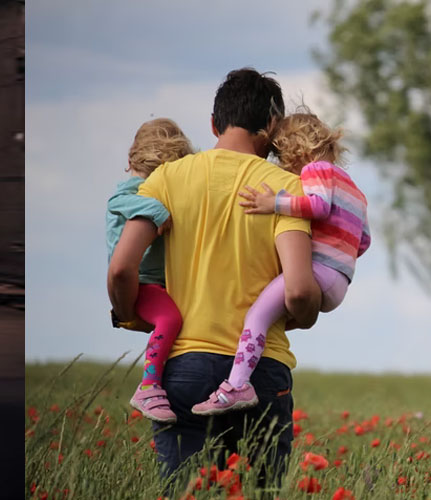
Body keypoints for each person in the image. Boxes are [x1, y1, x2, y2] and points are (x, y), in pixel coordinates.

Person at [107, 68, 321, 487]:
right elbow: (297, 290)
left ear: (213, 123)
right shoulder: (286, 190)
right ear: (273, 126)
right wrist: (307, 312)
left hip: (184, 368)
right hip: (261, 372)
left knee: (186, 493)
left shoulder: (166, 179)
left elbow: (120, 268)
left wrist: (129, 312)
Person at [192, 110, 370, 415]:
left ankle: (237, 385)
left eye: (282, 156)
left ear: (297, 150)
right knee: (272, 317)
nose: (284, 166)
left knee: (256, 316)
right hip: (340, 281)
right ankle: (246, 370)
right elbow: (363, 241)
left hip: (318, 272)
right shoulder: (355, 190)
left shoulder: (316, 171)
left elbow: (318, 206)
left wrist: (272, 203)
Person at [106, 118, 193, 424]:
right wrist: (157, 211)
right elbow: (118, 201)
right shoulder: (133, 191)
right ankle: (149, 385)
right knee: (170, 319)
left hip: (157, 282)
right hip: (142, 282)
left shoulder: (150, 187)